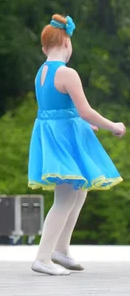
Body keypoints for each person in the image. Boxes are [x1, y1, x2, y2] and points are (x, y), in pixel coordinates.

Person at [27, 14, 125, 275]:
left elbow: (57, 109)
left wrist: (84, 124)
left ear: (45, 47)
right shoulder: (67, 73)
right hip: (63, 141)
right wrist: (112, 125)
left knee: (79, 191)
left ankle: (61, 249)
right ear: (67, 43)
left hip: (58, 134)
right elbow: (85, 110)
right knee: (65, 197)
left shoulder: (42, 72)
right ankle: (43, 257)